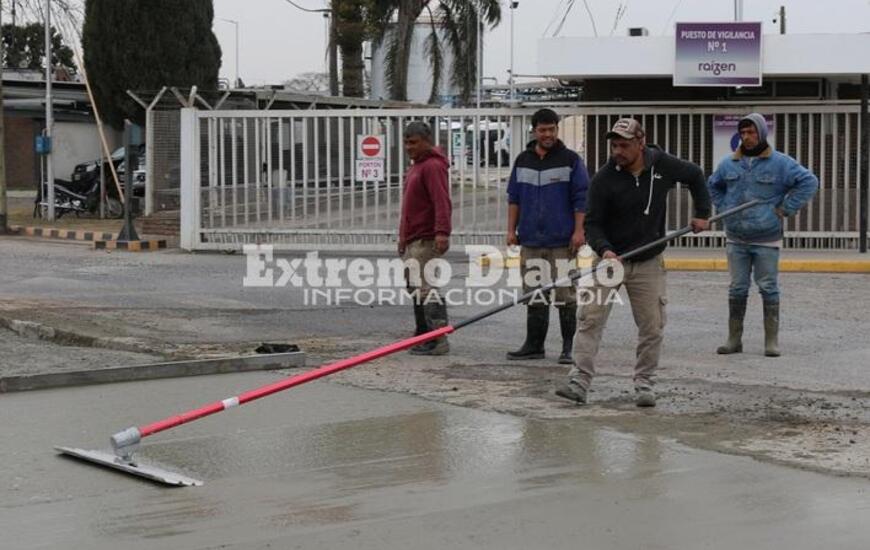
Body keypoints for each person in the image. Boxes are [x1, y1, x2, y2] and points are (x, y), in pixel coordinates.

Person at [555, 118, 711, 407]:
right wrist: (605, 251)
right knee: (590, 319)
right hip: (610, 259)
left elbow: (695, 175)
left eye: (624, 145)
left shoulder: (663, 165)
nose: (618, 151)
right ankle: (579, 381)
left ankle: (644, 384)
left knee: (652, 326)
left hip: (649, 260)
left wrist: (702, 212)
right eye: (614, 145)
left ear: (641, 143)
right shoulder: (604, 178)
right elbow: (592, 223)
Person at [708, 113, 818, 357]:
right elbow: (713, 185)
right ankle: (734, 339)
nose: (747, 137)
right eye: (743, 133)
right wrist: (723, 207)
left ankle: (771, 341)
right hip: (736, 237)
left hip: (767, 237)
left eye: (752, 132)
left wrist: (786, 209)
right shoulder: (728, 164)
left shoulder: (780, 163)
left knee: (768, 287)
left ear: (762, 134)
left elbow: (809, 182)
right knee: (737, 288)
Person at [506, 108, 590, 364]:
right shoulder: (522, 161)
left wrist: (579, 231)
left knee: (565, 295)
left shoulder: (571, 160)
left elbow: (582, 198)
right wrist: (511, 230)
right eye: (543, 130)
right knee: (534, 294)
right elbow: (514, 198)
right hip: (530, 241)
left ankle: (568, 348)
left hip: (562, 242)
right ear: (534, 131)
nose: (548, 134)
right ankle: (534, 345)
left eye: (552, 129)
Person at [398, 121, 452, 356]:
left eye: (413, 142)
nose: (408, 147)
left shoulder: (432, 167)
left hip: (426, 238)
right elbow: (408, 208)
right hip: (413, 238)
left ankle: (437, 339)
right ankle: (422, 333)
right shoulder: (416, 167)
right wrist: (402, 238)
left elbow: (441, 202)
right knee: (415, 287)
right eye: (406, 142)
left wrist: (442, 232)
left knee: (426, 288)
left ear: (426, 141)